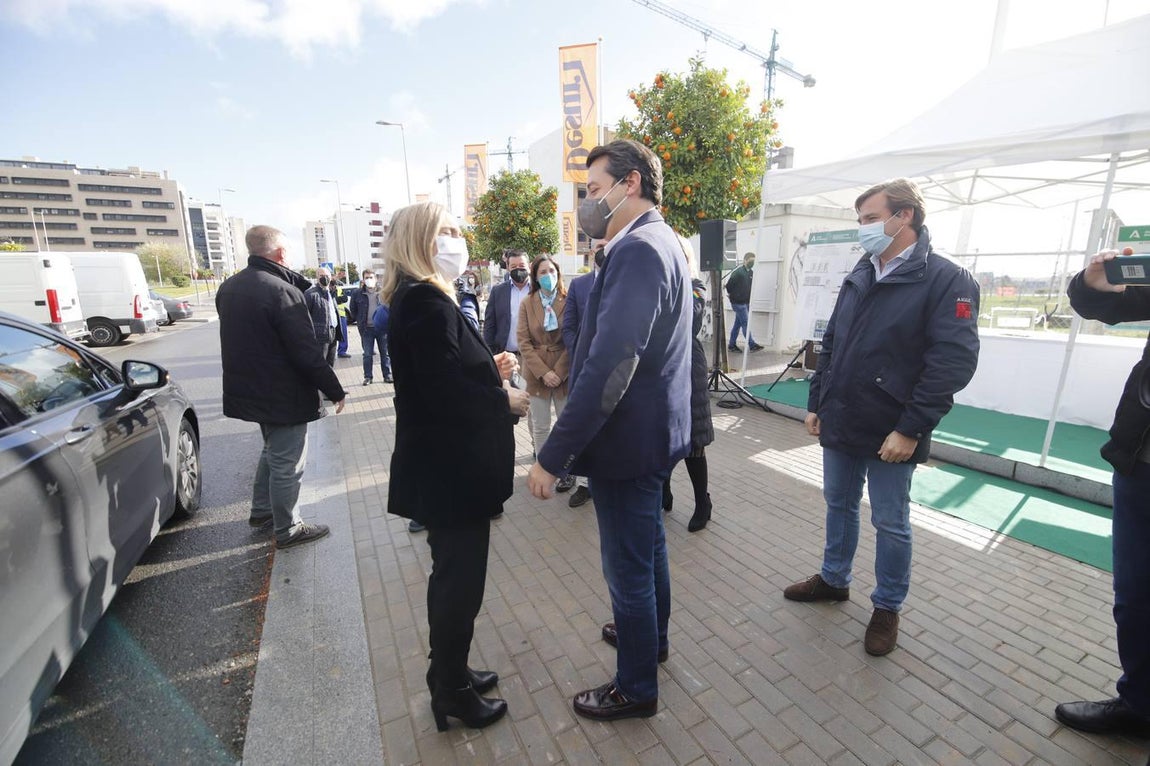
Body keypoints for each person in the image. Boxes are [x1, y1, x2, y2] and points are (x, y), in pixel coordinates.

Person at [527, 139, 692, 722]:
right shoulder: (659, 243)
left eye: (594, 190)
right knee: (648, 551)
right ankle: (652, 641)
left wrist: (553, 456)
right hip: (651, 436)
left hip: (627, 443)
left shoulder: (641, 250)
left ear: (630, 185)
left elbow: (609, 364)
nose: (588, 203)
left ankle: (635, 687)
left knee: (627, 572)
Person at [783, 178, 980, 657]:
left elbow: (952, 363)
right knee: (839, 504)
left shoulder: (947, 279)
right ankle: (834, 579)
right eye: (861, 221)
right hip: (842, 417)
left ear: (905, 216)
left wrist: (911, 428)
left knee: (891, 521)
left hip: (894, 428)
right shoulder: (863, 269)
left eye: (871, 219)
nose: (863, 230)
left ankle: (887, 606)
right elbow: (833, 341)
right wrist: (817, 400)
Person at [382, 201, 530, 732]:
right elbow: (442, 394)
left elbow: (439, 375)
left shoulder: (423, 298)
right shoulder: (425, 301)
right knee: (458, 585)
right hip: (451, 472)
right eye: (445, 231)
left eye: (457, 231)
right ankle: (451, 690)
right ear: (419, 240)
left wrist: (488, 368)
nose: (456, 240)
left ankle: (451, 671)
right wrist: (503, 400)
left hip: (448, 469)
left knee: (455, 579)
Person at [1055, 249, 1150, 738]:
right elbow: (1106, 307)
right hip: (1143, 461)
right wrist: (1093, 283)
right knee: (1134, 595)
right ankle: (1139, 702)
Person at [216, 225, 346, 549]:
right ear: (281, 253)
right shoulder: (281, 292)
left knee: (271, 449)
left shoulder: (229, 287)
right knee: (288, 461)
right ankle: (289, 529)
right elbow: (306, 352)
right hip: (282, 394)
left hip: (251, 391)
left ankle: (262, 511)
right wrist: (335, 389)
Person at [661, 236, 715, 532]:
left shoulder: (696, 286)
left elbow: (690, 323)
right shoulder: (658, 282)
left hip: (688, 368)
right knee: (664, 439)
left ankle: (701, 503)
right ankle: (664, 493)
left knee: (694, 442)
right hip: (662, 370)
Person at [517, 255, 574, 491]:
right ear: (535, 277)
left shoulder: (569, 299)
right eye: (543, 272)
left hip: (564, 371)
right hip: (536, 374)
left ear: (558, 273)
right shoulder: (527, 303)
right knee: (540, 426)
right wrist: (543, 372)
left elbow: (574, 338)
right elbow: (523, 341)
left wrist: (559, 372)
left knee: (566, 424)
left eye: (551, 271)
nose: (548, 275)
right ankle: (544, 469)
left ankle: (569, 472)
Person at [560, 240, 606, 509]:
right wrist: (579, 352)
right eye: (598, 244)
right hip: (585, 366)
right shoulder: (579, 285)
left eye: (607, 244)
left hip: (615, 369)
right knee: (584, 424)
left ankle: (605, 479)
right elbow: (569, 326)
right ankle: (584, 484)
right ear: (590, 252)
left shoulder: (624, 281)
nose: (602, 249)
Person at [348, 269, 392, 385]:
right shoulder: (357, 293)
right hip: (366, 329)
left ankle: (387, 375)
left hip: (382, 328)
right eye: (367, 278)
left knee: (385, 353)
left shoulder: (383, 292)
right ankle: (368, 377)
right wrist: (359, 320)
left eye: (371, 277)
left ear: (376, 279)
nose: (369, 280)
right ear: (363, 280)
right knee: (367, 354)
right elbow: (353, 310)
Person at [483, 249, 531, 355]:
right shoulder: (498, 291)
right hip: (506, 356)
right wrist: (490, 353)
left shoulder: (538, 290)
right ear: (508, 268)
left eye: (522, 265)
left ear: (529, 266)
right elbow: (489, 325)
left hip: (534, 358)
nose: (518, 269)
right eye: (513, 267)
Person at [725, 252, 762, 353]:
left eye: (753, 261)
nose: (752, 263)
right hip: (738, 303)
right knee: (746, 323)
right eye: (750, 261)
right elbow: (728, 286)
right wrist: (734, 296)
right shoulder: (738, 272)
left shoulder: (750, 273)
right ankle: (752, 344)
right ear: (745, 260)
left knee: (737, 324)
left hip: (745, 303)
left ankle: (731, 345)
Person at [304, 266, 341, 367]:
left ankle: (328, 383)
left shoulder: (331, 292)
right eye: (321, 275)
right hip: (320, 335)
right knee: (320, 365)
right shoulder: (310, 294)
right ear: (317, 277)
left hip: (333, 333)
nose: (325, 278)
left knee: (331, 362)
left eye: (327, 275)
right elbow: (305, 317)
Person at [334, 267, 352, 358]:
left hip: (341, 314)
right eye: (342, 273)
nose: (343, 275)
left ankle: (342, 351)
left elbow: (344, 298)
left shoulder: (339, 285)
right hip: (332, 315)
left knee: (343, 333)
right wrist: (338, 300)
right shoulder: (327, 286)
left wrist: (340, 299)